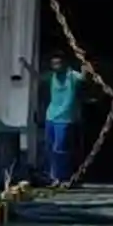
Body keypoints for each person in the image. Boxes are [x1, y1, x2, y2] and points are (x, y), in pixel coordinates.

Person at [42, 52, 86, 184]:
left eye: (58, 63)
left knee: (60, 148)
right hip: (50, 116)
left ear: (64, 64)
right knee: (50, 147)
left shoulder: (72, 75)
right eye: (53, 64)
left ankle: (61, 176)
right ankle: (52, 175)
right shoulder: (52, 76)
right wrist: (26, 66)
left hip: (65, 118)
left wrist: (84, 63)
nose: (55, 66)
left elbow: (83, 78)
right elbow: (37, 77)